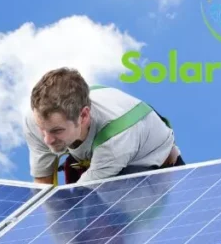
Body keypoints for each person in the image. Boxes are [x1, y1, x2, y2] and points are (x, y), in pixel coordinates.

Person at [24, 67, 184, 185]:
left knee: (112, 203)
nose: (47, 140)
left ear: (84, 116)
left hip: (149, 162)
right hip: (98, 152)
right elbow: (42, 183)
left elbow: (80, 197)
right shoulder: (35, 120)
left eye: (57, 131)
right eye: (42, 128)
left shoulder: (115, 140)